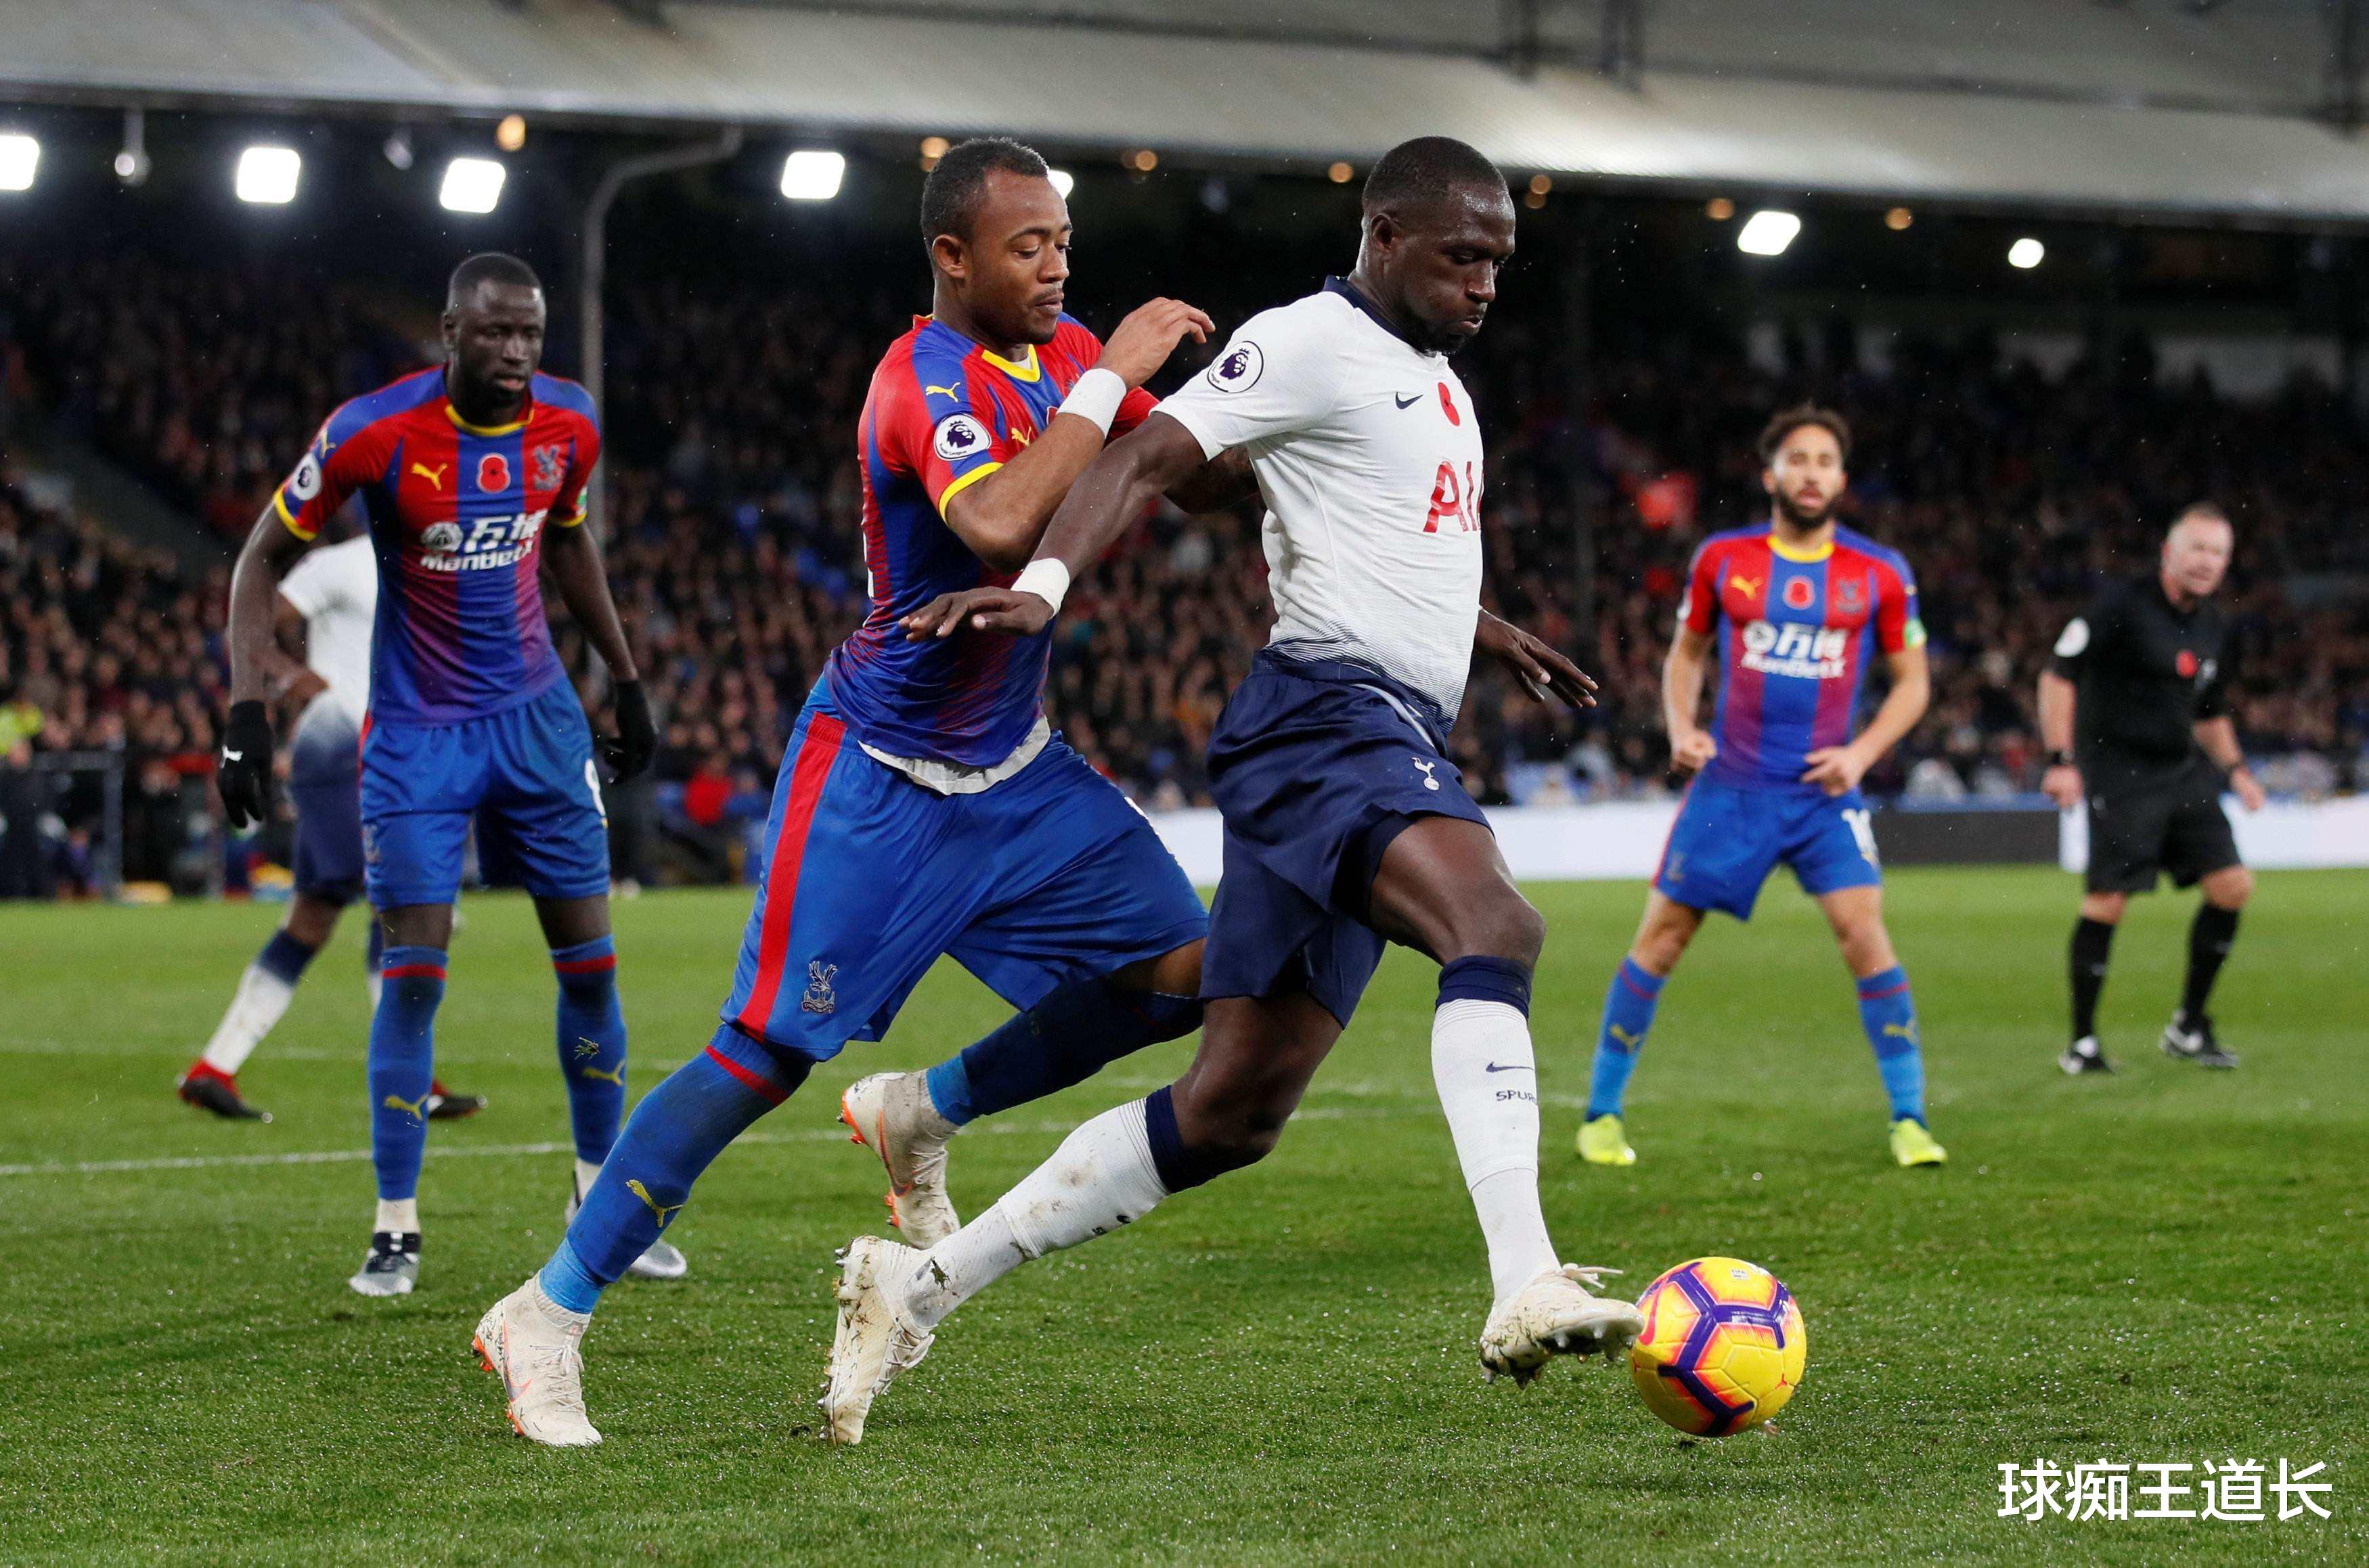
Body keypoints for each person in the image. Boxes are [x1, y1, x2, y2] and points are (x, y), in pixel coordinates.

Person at [817, 135, 1637, 1447]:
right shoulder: (1307, 339)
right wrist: (1042, 590)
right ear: (1385, 236)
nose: (1485, 281)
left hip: (1374, 724)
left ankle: (913, 1286)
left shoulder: (1441, 389)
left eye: (1499, 260)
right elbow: (1145, 460)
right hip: (1325, 722)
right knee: (1494, 924)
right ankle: (1525, 1277)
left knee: (1230, 1112)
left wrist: (1479, 627)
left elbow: (1357, 532)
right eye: (1461, 255)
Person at [470, 137, 1233, 1447]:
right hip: (882, 772)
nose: (1057, 267)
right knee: (764, 1053)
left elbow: (1166, 471)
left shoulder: (1064, 355)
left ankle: (921, 1110)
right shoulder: (917, 379)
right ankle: (545, 1312)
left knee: (1184, 974)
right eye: (1029, 247)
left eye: (1063, 242)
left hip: (1017, 770)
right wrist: (1111, 379)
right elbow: (998, 525)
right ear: (952, 256)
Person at [217, 253, 663, 1297]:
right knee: (413, 976)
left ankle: (599, 1205)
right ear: (450, 333)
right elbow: (258, 560)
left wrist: (627, 679)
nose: (516, 352)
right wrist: (245, 711)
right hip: (418, 737)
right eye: (496, 332)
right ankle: (395, 1225)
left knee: (592, 968)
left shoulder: (570, 423)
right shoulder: (372, 432)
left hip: (539, 724)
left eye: (530, 334)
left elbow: (569, 542)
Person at [1576, 408, 1945, 1171]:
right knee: (1661, 940)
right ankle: (1601, 1115)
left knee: (1865, 935)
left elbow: (1913, 683)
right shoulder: (1723, 558)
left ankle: (1910, 1120)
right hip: (1732, 788)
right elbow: (1685, 655)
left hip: (1822, 795)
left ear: (1842, 480)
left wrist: (1862, 753)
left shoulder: (1879, 572)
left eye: (1825, 461)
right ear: (1770, 474)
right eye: (1797, 459)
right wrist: (1681, 728)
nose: (1811, 472)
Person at [181, 522, 484, 1123]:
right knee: (396, 906)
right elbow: (253, 617)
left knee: (314, 917)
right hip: (340, 751)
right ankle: (411, 1078)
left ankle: (213, 1069)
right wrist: (287, 676)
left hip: (394, 754)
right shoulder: (342, 564)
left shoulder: (431, 566)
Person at [2039, 503, 2261, 1074]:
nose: (2207, 561)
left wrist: (2236, 768)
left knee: (2232, 886)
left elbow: (2208, 711)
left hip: (2182, 771)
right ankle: (2082, 1043)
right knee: (2108, 901)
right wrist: (2061, 759)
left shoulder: (2213, 625)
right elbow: (2059, 674)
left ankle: (2189, 1025)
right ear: (2168, 551)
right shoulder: (2121, 606)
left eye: (2218, 552)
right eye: (2197, 548)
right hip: (2120, 773)